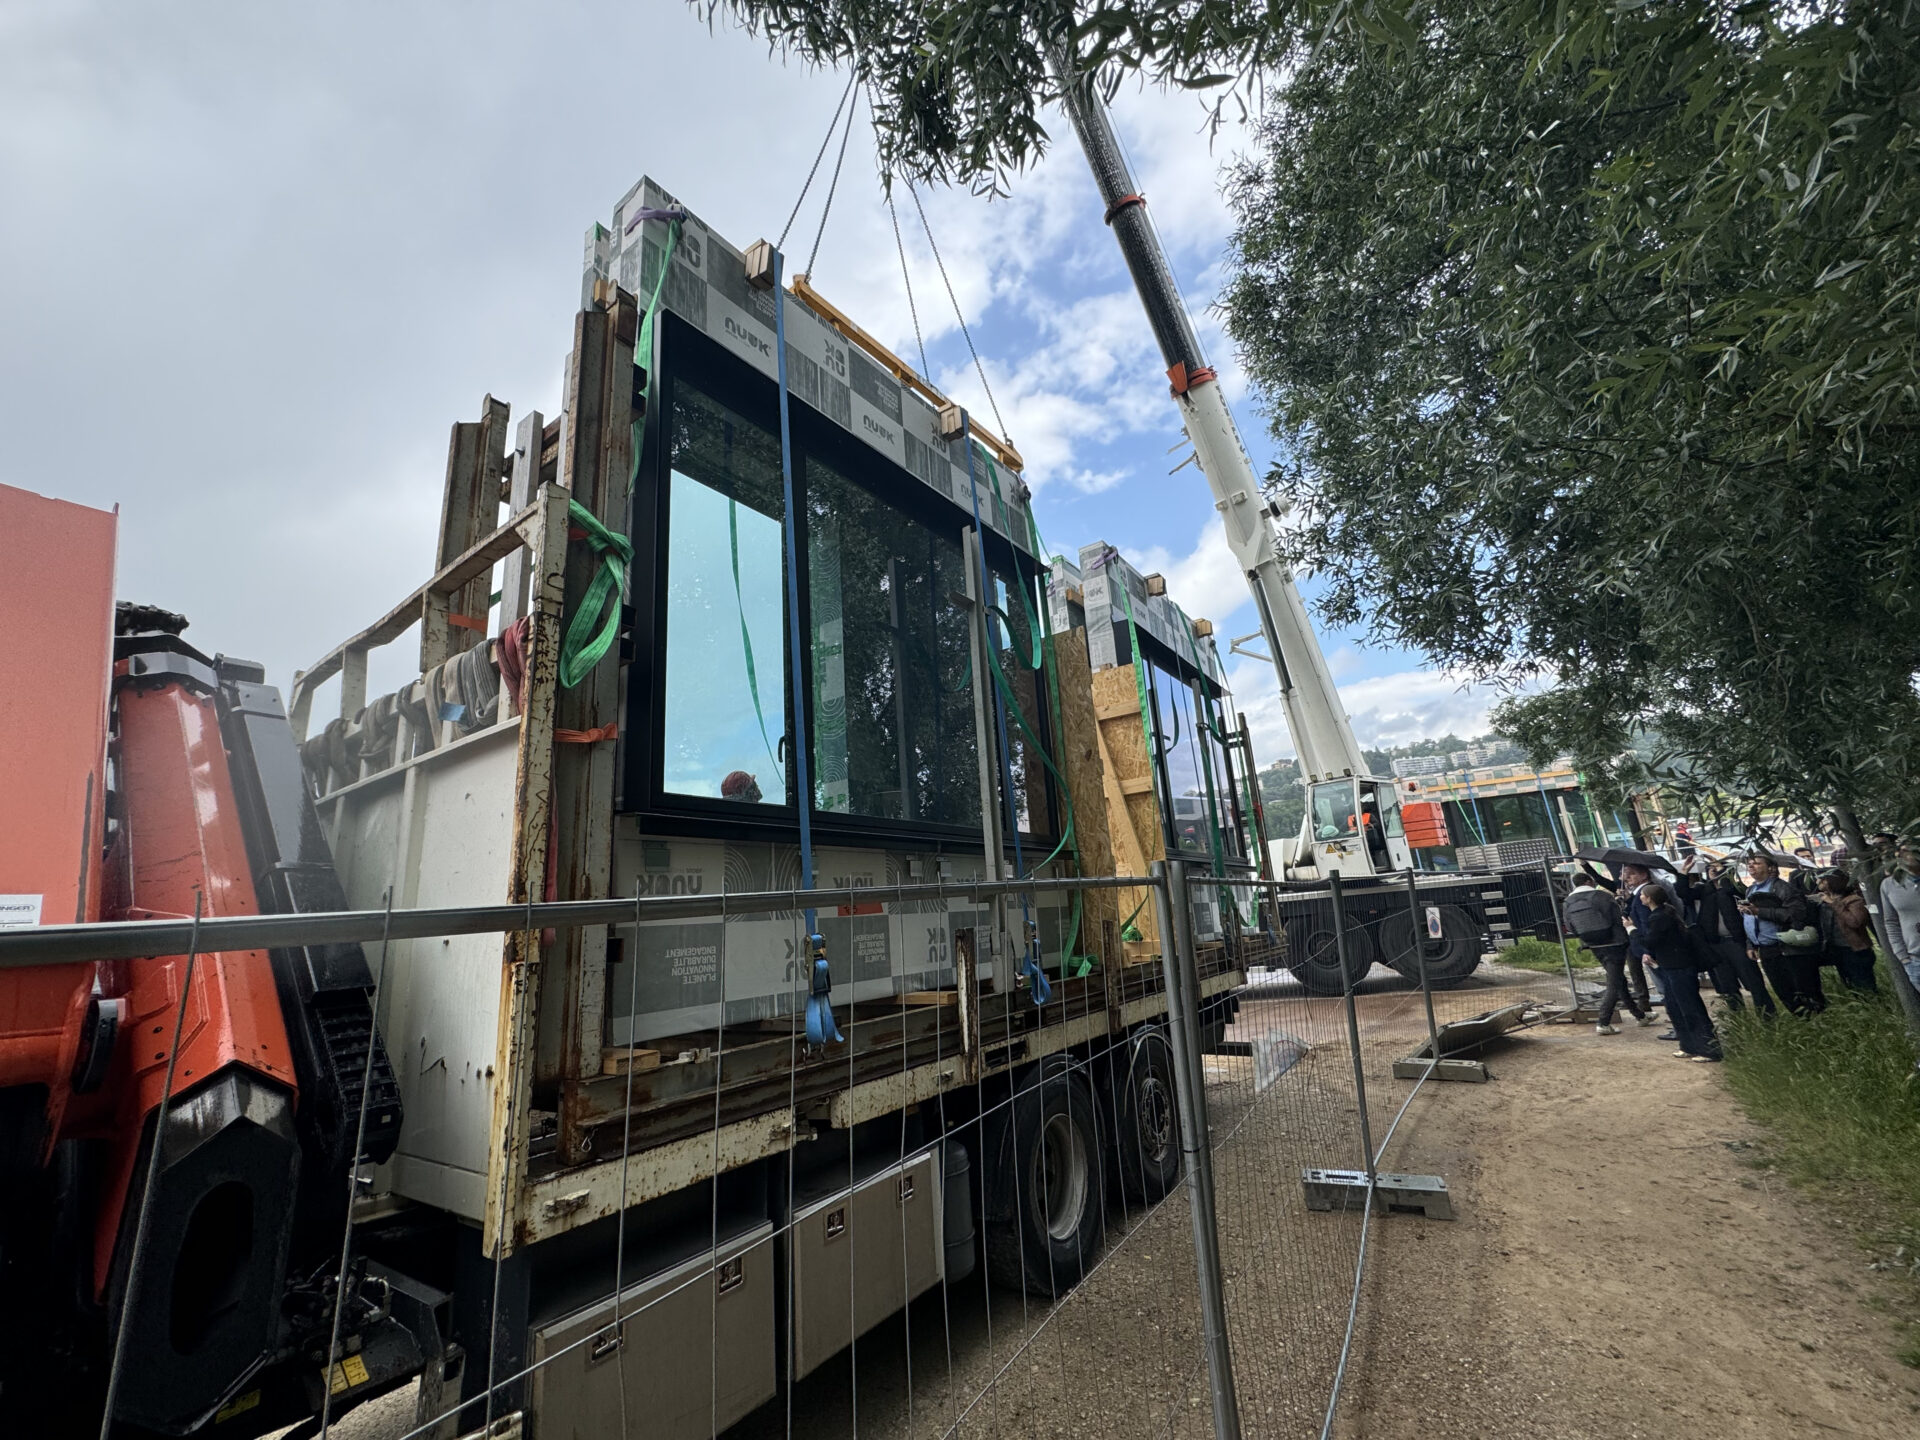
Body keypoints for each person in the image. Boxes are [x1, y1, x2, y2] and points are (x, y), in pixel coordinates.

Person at [1677, 859, 1780, 1016]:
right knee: (1727, 985)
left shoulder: (1732, 888)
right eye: (1709, 868)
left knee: (1753, 981)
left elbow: (1737, 892)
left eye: (1716, 868)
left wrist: (1723, 876)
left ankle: (1768, 1015)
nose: (1712, 870)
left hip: (1736, 941)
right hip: (1715, 943)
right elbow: (1683, 893)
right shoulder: (1705, 889)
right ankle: (1738, 1017)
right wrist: (1684, 873)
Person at [1562, 873, 1654, 1034]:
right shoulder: (1601, 896)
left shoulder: (1568, 901)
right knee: (1614, 982)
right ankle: (1603, 1022)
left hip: (1592, 944)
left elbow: (1569, 926)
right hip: (1614, 942)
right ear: (1589, 881)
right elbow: (1616, 918)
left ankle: (1640, 1016)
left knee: (1617, 979)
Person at [1640, 883, 1720, 1061]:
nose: (1640, 897)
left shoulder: (1659, 917)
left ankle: (1709, 1049)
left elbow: (1649, 940)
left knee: (1690, 1008)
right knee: (1676, 1007)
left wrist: (1632, 930)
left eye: (1643, 895)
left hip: (1679, 968)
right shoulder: (1664, 913)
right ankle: (1688, 1045)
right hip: (1670, 967)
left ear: (1649, 899)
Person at [1740, 853, 1823, 1014]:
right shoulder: (1750, 889)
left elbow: (1796, 915)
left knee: (1802, 989)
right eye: (1749, 863)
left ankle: (1815, 1017)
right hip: (1765, 948)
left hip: (1786, 947)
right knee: (1783, 991)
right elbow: (1750, 919)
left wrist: (1760, 911)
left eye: (1756, 863)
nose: (1751, 866)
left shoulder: (1783, 888)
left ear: (1770, 868)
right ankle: (1801, 1021)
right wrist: (1750, 943)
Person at [1815, 868, 1877, 993]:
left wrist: (1833, 903)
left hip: (1855, 949)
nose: (1818, 882)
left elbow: (1855, 922)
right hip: (1837, 949)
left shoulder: (1854, 900)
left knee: (1864, 985)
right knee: (1850, 985)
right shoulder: (1824, 900)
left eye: (1822, 880)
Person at [1878, 840, 1920, 991]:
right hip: (1915, 959)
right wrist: (1902, 955)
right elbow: (1891, 921)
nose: (1901, 854)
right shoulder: (1889, 885)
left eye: (1907, 850)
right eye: (1899, 851)